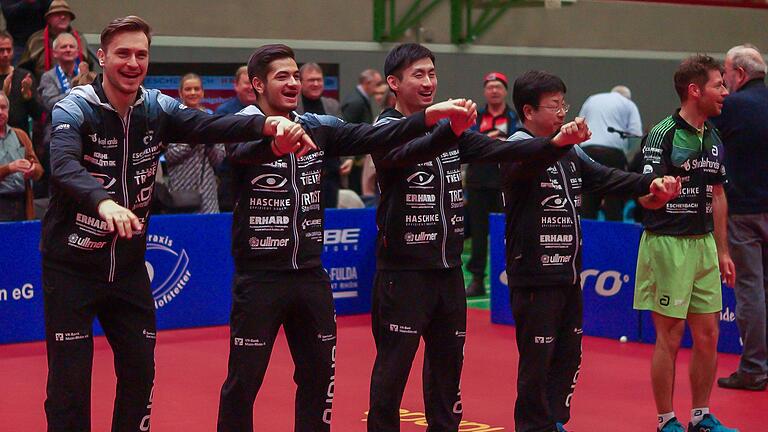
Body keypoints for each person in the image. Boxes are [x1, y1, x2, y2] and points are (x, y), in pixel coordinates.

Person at [41, 16, 315, 431]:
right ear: (101, 57)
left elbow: (208, 126)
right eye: (123, 54)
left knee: (140, 375)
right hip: (71, 268)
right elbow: (60, 165)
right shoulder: (74, 107)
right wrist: (104, 203)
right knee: (70, 384)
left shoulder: (157, 106)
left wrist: (265, 122)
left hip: (129, 271)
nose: (133, 63)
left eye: (141, 55)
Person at [217, 43, 476, 432]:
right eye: (281, 76)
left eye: (295, 75)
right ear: (256, 84)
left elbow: (373, 138)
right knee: (244, 382)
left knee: (319, 379)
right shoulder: (241, 126)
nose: (293, 83)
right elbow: (237, 153)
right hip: (259, 279)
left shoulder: (317, 128)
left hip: (310, 276)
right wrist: (273, 142)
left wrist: (428, 119)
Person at [367, 43, 592, 432]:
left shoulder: (447, 130)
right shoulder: (385, 128)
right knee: (392, 374)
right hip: (403, 274)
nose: (428, 82)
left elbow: (497, 148)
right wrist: (447, 131)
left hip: (448, 274)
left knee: (447, 376)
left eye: (432, 74)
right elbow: (400, 154)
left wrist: (555, 144)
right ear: (393, 83)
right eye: (418, 75)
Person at [500, 70, 679, 432]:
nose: (562, 112)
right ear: (528, 111)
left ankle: (554, 422)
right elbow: (526, 166)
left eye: (563, 104)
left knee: (567, 357)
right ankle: (533, 426)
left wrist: (650, 182)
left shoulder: (570, 151)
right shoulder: (516, 147)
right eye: (553, 106)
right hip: (534, 275)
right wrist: (558, 144)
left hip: (568, 273)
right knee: (537, 362)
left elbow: (605, 177)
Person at [633, 55, 738, 432]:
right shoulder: (662, 134)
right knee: (671, 336)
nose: (725, 92)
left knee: (709, 335)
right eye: (718, 85)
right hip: (667, 243)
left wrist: (723, 250)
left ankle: (701, 416)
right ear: (695, 90)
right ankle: (666, 420)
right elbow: (642, 197)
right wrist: (660, 194)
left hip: (704, 245)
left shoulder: (713, 137)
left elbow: (718, 195)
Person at [712, 44, 768, 392]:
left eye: (726, 74)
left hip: (744, 210)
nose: (724, 82)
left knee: (750, 290)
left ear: (740, 75)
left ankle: (754, 369)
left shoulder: (731, 107)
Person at [465, 71, 518, 297]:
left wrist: (495, 141)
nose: (494, 91)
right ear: (485, 91)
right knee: (478, 234)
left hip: (506, 182)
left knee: (508, 231)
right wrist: (492, 140)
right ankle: (477, 279)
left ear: (505, 91)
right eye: (490, 87)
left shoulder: (514, 117)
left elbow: (519, 143)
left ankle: (509, 279)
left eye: (498, 87)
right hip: (478, 182)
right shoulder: (475, 117)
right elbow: (468, 142)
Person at [578, 85, 643, 221]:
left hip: (587, 150)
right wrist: (625, 151)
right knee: (614, 198)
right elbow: (635, 134)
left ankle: (585, 238)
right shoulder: (628, 104)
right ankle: (613, 239)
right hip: (613, 152)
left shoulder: (591, 99)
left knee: (588, 198)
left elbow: (580, 124)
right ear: (627, 97)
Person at [164, 73, 225, 214]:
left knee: (209, 232)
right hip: (180, 191)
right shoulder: (171, 121)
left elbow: (219, 160)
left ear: (202, 92)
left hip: (208, 193)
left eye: (196, 89)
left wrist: (210, 144)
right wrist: (192, 142)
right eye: (188, 89)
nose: (193, 92)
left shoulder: (212, 121)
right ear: (180, 92)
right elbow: (168, 157)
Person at [296, 62, 352, 209]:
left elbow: (345, 134)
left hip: (331, 176)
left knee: (329, 217)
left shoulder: (332, 105)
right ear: (300, 82)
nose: (316, 84)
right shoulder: (293, 106)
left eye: (319, 80)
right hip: (302, 175)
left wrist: (348, 159)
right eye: (311, 80)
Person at [215, 65, 257, 211]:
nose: (251, 87)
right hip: (231, 181)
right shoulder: (224, 112)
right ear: (236, 85)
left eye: (254, 83)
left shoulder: (268, 110)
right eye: (247, 82)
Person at [18, 0, 92, 80]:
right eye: (58, 14)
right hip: (43, 86)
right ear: (49, 19)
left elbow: (89, 65)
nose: (63, 17)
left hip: (76, 85)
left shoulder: (79, 38)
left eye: (66, 14)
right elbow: (24, 69)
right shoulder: (36, 40)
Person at [0, 91, 42, 220]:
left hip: (22, 203)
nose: (0, 112)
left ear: (8, 109)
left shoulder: (20, 135)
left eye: (3, 107)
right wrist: (10, 168)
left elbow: (39, 170)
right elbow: (10, 168)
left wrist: (32, 169)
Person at [342, 68, 381, 194]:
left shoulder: (360, 99)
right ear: (367, 83)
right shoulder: (356, 102)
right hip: (353, 160)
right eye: (377, 84)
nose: (378, 89)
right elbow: (346, 130)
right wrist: (351, 157)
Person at [0, 30, 42, 132]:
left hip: (20, 139)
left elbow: (38, 115)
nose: (5, 54)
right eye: (1, 50)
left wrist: (28, 97)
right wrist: (4, 93)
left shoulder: (24, 76)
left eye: (9, 50)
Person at [0, 0, 48, 65]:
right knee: (17, 70)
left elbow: (51, 6)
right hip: (18, 42)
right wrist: (26, 3)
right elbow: (8, 12)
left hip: (41, 40)